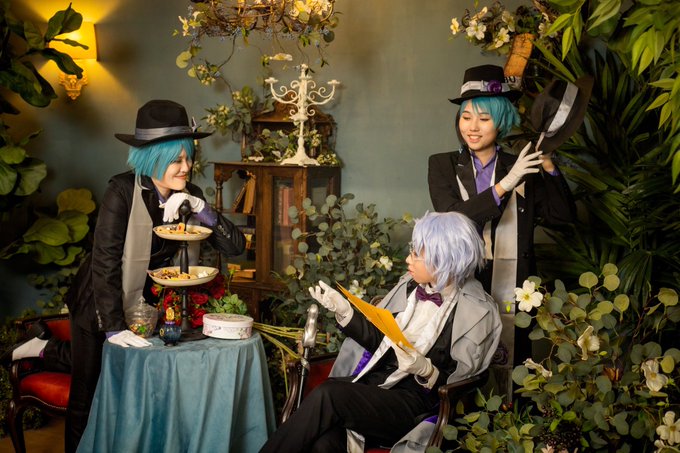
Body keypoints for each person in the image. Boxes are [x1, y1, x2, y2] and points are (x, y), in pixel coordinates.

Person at [9, 99, 246, 453]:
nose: (187, 167)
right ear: (153, 159)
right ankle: (48, 353)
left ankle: (46, 347)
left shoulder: (191, 195)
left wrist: (202, 209)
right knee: (89, 390)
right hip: (99, 300)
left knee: (132, 381)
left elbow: (236, 247)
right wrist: (114, 327)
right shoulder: (120, 191)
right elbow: (104, 262)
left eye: (189, 158)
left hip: (149, 303)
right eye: (177, 160)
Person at [260, 211, 502, 453]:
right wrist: (347, 313)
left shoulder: (476, 311)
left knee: (328, 393)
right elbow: (383, 344)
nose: (408, 259)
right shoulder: (408, 287)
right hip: (379, 387)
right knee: (324, 443)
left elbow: (463, 383)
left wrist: (427, 371)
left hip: (415, 404)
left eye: (416, 254)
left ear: (443, 259)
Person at [427, 65, 576, 373]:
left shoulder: (521, 165)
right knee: (456, 369)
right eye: (466, 117)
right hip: (459, 283)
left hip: (514, 288)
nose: (472, 127)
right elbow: (453, 218)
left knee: (511, 373)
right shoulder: (442, 165)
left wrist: (548, 164)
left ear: (502, 122)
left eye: (484, 119)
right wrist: (506, 184)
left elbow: (562, 218)